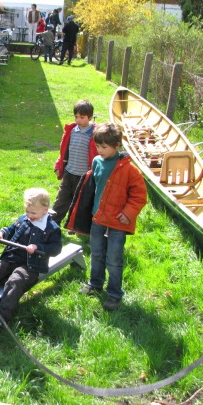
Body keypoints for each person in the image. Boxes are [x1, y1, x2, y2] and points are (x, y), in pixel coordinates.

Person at [66, 123, 147, 311]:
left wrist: (128, 213)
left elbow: (139, 195)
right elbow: (93, 188)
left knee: (113, 258)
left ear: (117, 145)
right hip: (98, 219)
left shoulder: (129, 170)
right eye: (98, 146)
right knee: (96, 253)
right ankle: (95, 284)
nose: (100, 150)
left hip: (117, 223)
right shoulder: (96, 162)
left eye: (104, 147)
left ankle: (114, 293)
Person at [0, 188, 62, 322]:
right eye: (27, 211)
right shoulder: (24, 219)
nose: (29, 215)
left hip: (30, 266)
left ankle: (2, 315)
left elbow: (56, 249)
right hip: (12, 258)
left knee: (15, 280)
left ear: (45, 210)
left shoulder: (51, 228)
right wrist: (1, 233)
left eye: (33, 213)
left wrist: (38, 247)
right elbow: (11, 229)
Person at [51, 100, 98, 224]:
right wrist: (58, 166)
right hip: (68, 172)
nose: (78, 120)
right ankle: (52, 224)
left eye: (82, 117)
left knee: (80, 202)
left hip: (84, 176)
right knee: (61, 200)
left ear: (90, 117)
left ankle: (74, 225)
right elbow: (64, 152)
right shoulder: (71, 131)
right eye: (76, 117)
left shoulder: (95, 134)